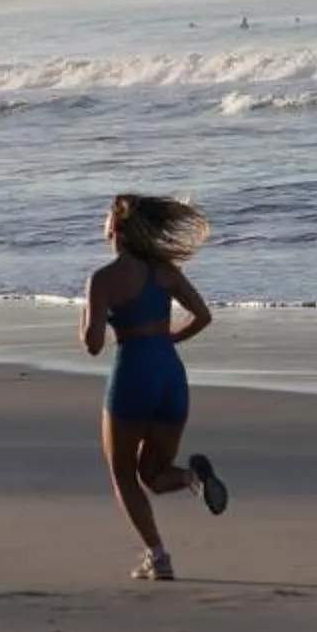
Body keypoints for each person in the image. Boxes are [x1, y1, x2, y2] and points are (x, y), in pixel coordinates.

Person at [79, 193, 229, 580]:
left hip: (132, 376)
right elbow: (203, 316)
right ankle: (192, 479)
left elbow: (94, 346)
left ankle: (158, 557)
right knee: (155, 473)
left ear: (114, 229)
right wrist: (167, 341)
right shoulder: (164, 271)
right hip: (170, 376)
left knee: (124, 475)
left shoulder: (103, 279)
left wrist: (88, 313)